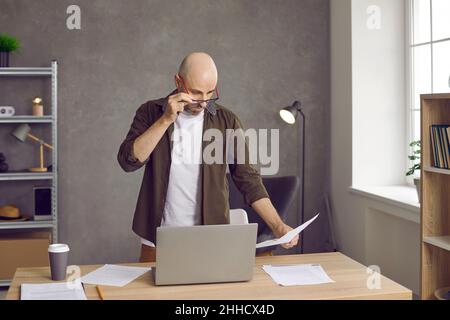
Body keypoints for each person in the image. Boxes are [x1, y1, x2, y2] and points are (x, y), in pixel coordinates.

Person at [118, 52, 298, 263]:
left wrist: (278, 226)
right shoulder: (150, 112)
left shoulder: (227, 121)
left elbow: (248, 179)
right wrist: (165, 119)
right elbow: (128, 161)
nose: (203, 102)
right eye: (195, 93)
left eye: (210, 93)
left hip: (210, 238)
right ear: (178, 81)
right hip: (158, 238)